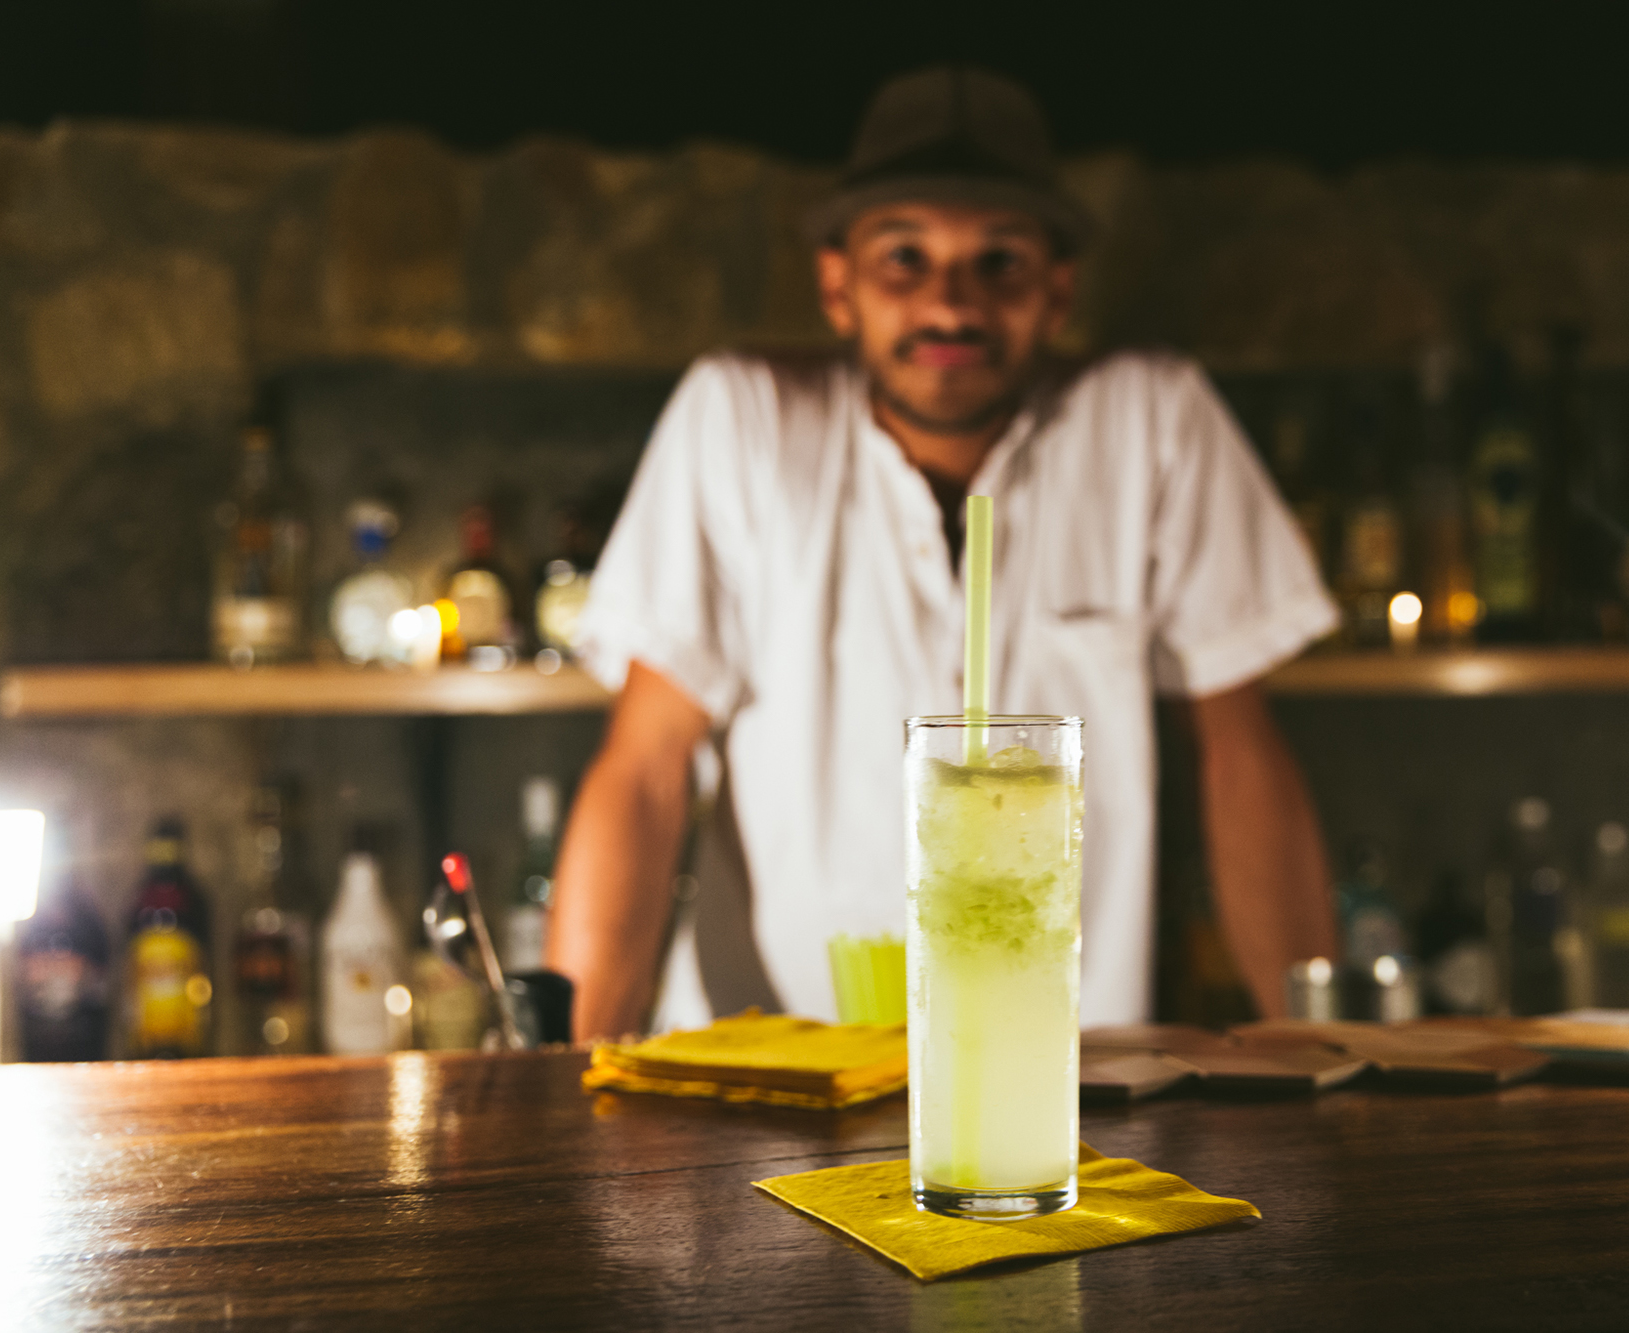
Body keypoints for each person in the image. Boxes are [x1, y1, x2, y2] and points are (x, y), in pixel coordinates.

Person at [549, 66, 1339, 1038]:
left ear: (1057, 288)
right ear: (837, 284)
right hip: (775, 1072)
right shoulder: (743, 419)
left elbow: (1239, 755)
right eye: (904, 257)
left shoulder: (1152, 421)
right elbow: (644, 767)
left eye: (998, 260)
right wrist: (563, 1071)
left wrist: (1323, 1047)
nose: (951, 305)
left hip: (1065, 1073)